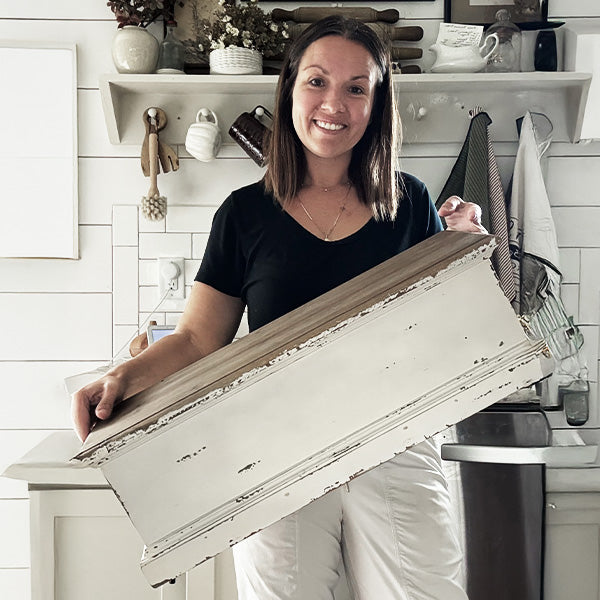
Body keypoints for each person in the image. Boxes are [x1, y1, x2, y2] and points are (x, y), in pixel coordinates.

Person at [72, 16, 485, 600]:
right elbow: (198, 339)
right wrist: (121, 377)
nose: (333, 104)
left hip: (395, 440)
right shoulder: (244, 214)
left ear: (377, 103)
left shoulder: (410, 201)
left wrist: (462, 252)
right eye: (317, 81)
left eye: (356, 88)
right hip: (273, 449)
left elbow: (443, 334)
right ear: (290, 87)